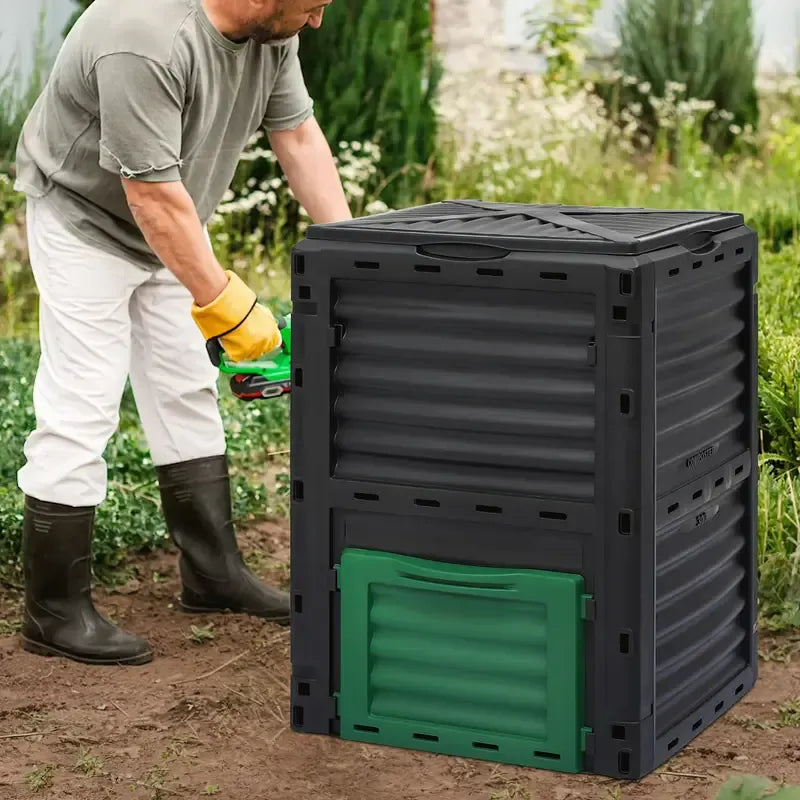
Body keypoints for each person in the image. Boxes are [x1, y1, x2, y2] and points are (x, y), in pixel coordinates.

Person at [12, 0, 351, 667]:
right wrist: (227, 306)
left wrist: (353, 254)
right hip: (86, 217)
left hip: (170, 216)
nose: (316, 22)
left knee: (185, 389)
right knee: (84, 399)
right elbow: (150, 199)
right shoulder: (142, 37)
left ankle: (212, 574)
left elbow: (300, 136)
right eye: (311, 7)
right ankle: (52, 610)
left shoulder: (267, 34)